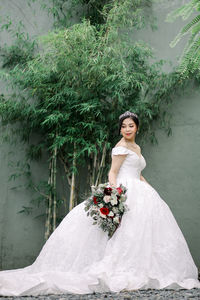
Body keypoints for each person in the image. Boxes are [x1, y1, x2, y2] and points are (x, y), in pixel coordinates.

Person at [0, 111, 200, 296]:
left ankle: (143, 268)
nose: (127, 129)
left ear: (137, 127)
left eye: (131, 126)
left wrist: (152, 191)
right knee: (123, 231)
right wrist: (116, 196)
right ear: (120, 129)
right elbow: (113, 173)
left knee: (141, 233)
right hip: (124, 189)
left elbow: (138, 174)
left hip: (141, 190)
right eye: (123, 126)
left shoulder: (137, 147)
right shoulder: (120, 147)